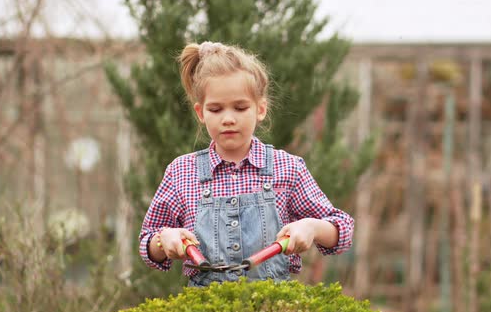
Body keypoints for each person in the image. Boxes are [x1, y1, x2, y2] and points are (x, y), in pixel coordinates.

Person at [139, 41, 354, 287]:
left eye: (240, 107)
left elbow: (342, 232)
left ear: (260, 109)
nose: (228, 119)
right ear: (200, 113)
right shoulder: (181, 172)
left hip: (273, 311)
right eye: (216, 109)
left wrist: (312, 227)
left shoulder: (288, 168)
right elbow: (148, 243)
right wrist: (164, 239)